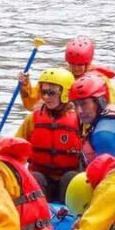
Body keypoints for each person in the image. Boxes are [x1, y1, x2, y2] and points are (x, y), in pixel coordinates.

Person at [15, 68, 81, 201]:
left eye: (51, 93)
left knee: (72, 177)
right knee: (34, 177)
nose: (46, 97)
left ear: (65, 93)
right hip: (42, 179)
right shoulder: (33, 119)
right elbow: (16, 146)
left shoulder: (80, 119)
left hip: (68, 181)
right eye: (43, 92)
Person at [19, 37, 115, 109]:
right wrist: (25, 85)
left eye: (80, 65)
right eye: (72, 64)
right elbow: (31, 104)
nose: (75, 68)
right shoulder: (57, 76)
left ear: (87, 63)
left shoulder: (99, 80)